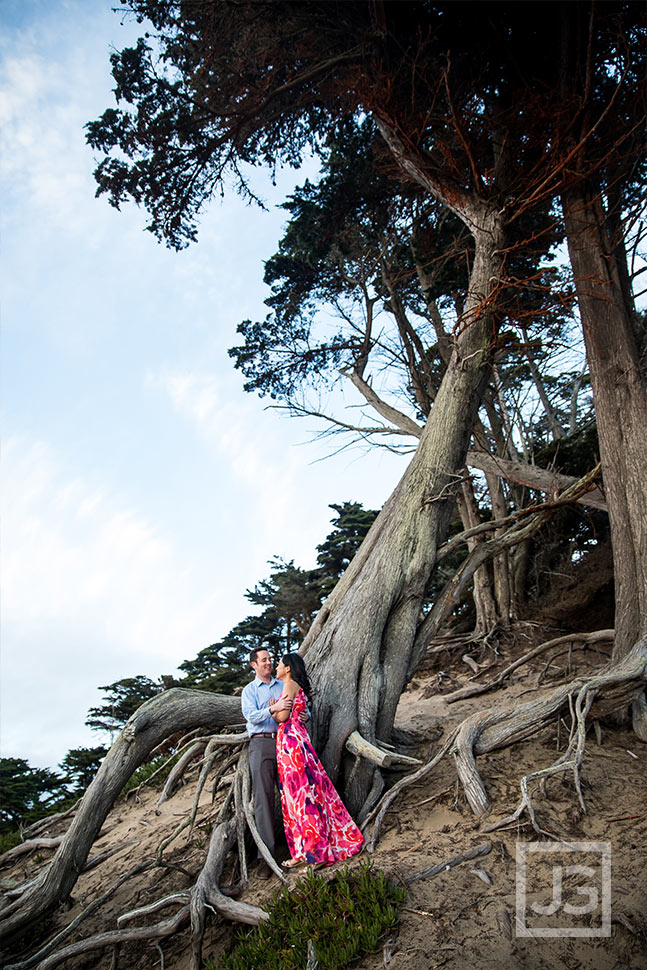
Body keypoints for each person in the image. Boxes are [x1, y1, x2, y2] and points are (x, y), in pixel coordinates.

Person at [273, 652, 364, 869]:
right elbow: (300, 712)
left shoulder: (290, 685)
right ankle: (303, 851)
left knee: (301, 797)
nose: (276, 667)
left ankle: (316, 854)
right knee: (297, 797)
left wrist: (274, 710)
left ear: (287, 668)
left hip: (291, 745)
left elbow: (283, 717)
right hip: (295, 742)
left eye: (279, 664)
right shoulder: (296, 687)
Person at [240, 647, 307, 873]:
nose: (268, 663)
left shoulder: (284, 683)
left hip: (286, 744)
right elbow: (250, 716)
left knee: (293, 795)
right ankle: (266, 858)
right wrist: (273, 709)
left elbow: (299, 706)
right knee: (263, 799)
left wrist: (305, 714)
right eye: (264, 660)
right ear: (254, 665)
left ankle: (299, 849)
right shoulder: (249, 691)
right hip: (261, 744)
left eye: (270, 659)